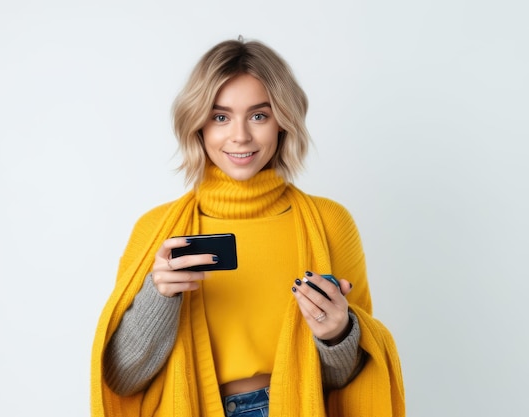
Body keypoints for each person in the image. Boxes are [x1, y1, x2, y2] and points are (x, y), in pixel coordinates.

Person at [91, 37, 404, 417]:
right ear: (198, 124)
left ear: (283, 122)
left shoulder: (329, 223)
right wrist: (160, 296)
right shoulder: (157, 231)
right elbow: (122, 379)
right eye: (220, 116)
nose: (240, 135)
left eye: (259, 115)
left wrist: (337, 334)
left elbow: (348, 378)